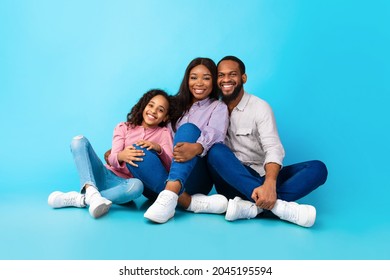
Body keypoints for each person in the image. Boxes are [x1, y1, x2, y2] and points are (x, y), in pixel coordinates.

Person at [207, 56, 328, 227]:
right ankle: (279, 207)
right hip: (232, 182)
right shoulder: (212, 109)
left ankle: (252, 207)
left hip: (262, 177)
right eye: (221, 75)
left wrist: (270, 184)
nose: (226, 80)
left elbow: (273, 147)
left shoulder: (259, 107)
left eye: (232, 74)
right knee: (216, 152)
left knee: (318, 168)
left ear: (243, 78)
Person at [48, 89, 173, 218]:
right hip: (103, 174)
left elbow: (170, 166)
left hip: (123, 186)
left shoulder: (163, 133)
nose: (153, 111)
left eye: (160, 110)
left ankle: (82, 199)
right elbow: (112, 157)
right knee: (78, 141)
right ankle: (90, 191)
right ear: (144, 106)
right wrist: (121, 156)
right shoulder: (124, 127)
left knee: (137, 186)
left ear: (166, 117)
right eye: (151, 105)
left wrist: (159, 149)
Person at [139, 57, 230, 223]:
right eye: (194, 77)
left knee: (188, 129)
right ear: (187, 79)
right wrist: (119, 151)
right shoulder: (173, 104)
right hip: (161, 176)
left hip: (195, 177)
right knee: (136, 151)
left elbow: (215, 134)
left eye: (206, 78)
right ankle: (188, 202)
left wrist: (196, 147)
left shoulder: (218, 107)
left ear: (214, 81)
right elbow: (149, 124)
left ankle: (172, 192)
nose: (199, 83)